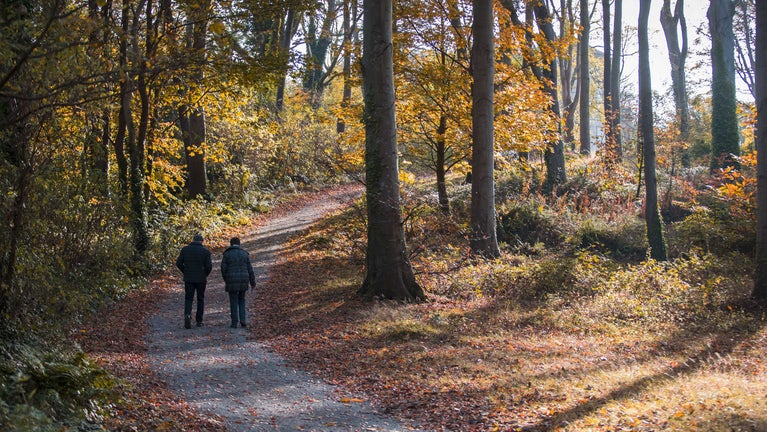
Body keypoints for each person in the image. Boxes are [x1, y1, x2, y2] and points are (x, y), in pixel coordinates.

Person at [175, 233, 212, 329]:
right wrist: (205, 274)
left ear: (193, 240)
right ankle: (199, 321)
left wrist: (185, 271)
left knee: (188, 298)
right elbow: (209, 267)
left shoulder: (185, 250)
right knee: (200, 299)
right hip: (201, 279)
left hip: (189, 278)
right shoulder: (205, 252)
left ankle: (187, 315)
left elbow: (179, 263)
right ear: (201, 241)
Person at [220, 237, 256, 328]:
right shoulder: (244, 254)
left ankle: (234, 322)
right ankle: (243, 319)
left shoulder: (227, 254)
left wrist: (226, 279)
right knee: (242, 299)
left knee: (233, 300)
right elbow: (250, 269)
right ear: (239, 244)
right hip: (244, 280)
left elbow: (223, 269)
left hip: (231, 280)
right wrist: (252, 282)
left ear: (231, 244)